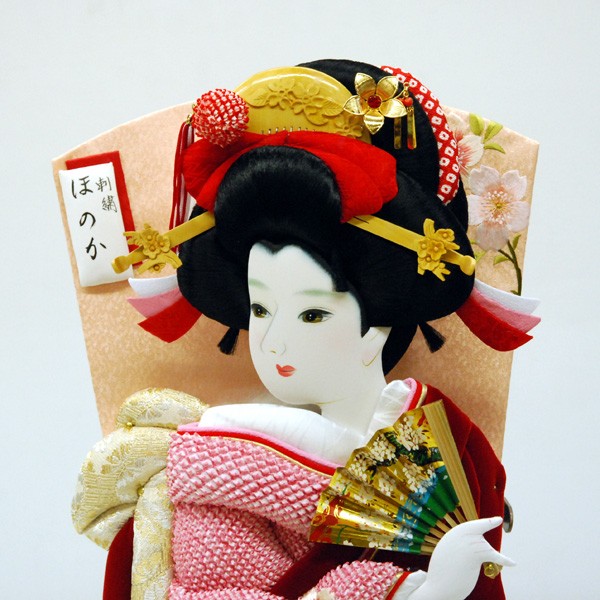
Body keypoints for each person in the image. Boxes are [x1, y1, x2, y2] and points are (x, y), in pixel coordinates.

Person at [74, 59, 528, 600]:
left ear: (377, 327)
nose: (274, 342)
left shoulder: (446, 449)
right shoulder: (210, 458)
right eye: (260, 310)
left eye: (312, 314)